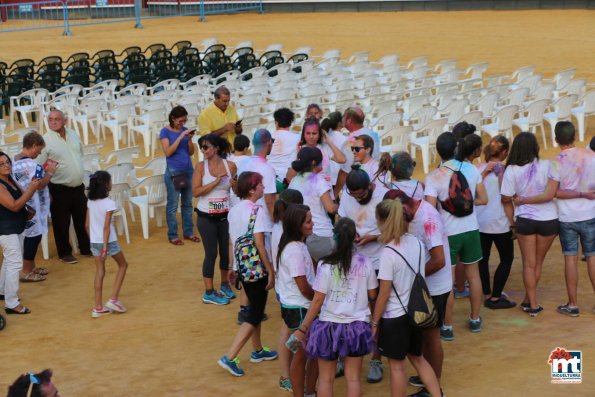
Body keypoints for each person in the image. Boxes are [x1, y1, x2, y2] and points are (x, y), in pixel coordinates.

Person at [292, 218, 378, 397]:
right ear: (355, 236)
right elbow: (372, 296)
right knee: (353, 379)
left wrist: (303, 329)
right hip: (357, 327)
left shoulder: (325, 265)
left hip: (328, 327)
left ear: (334, 238)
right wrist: (375, 322)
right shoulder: (366, 262)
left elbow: (317, 301)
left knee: (325, 379)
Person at [517, 122, 595, 316]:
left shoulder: (556, 161)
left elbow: (553, 193)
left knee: (570, 257)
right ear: (575, 136)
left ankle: (573, 304)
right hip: (590, 214)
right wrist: (585, 194)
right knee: (592, 256)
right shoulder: (592, 156)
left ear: (556, 138)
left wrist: (578, 193)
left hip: (567, 216)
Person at [383, 189, 451, 397]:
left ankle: (434, 386)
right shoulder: (412, 212)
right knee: (424, 337)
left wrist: (412, 275)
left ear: (404, 207)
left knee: (431, 336)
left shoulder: (428, 220)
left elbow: (439, 260)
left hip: (435, 288)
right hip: (422, 286)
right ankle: (428, 379)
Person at [425, 132, 487, 335]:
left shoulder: (434, 177)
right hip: (471, 228)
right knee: (474, 276)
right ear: (455, 149)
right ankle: (475, 318)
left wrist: (449, 208)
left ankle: (448, 325)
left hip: (448, 233)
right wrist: (465, 204)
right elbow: (483, 199)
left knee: (447, 282)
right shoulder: (471, 169)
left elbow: (430, 210)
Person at [218, 172, 277, 377]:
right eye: (260, 184)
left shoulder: (233, 211)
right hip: (257, 268)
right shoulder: (257, 211)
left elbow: (232, 242)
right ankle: (230, 356)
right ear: (252, 189)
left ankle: (258, 350)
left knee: (254, 308)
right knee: (255, 313)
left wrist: (233, 268)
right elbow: (259, 243)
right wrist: (270, 270)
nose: (262, 187)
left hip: (243, 266)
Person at [501, 132, 558, 317]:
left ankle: (532, 304)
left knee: (528, 264)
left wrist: (512, 224)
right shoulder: (548, 165)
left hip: (525, 219)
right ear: (535, 147)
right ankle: (528, 299)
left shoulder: (511, 170)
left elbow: (505, 199)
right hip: (549, 219)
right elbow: (553, 192)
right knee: (538, 263)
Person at [338, 165, 385, 383]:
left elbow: (393, 228)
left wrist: (373, 237)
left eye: (362, 194)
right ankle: (343, 357)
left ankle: (376, 359)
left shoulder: (383, 196)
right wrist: (350, 232)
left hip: (378, 261)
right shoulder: (346, 197)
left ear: (370, 186)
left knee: (376, 313)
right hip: (354, 261)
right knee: (348, 310)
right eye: (354, 195)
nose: (357, 199)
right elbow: (341, 221)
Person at [36, 110, 90, 264]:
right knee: (61, 222)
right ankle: (64, 253)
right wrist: (46, 191)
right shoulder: (45, 140)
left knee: (82, 219)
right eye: (50, 119)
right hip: (59, 188)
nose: (53, 122)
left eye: (57, 119)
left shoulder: (72, 133)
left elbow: (80, 153)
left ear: (64, 121)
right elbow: (38, 166)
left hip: (78, 186)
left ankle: (85, 248)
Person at [234, 129, 278, 320]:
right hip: (261, 221)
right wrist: (277, 221)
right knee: (260, 264)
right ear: (268, 143)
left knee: (246, 262)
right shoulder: (267, 169)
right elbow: (270, 201)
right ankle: (254, 311)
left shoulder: (245, 162)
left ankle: (245, 308)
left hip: (244, 216)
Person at [276, 204, 317, 397]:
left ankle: (309, 392)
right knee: (301, 356)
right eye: (308, 221)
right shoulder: (294, 251)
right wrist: (318, 300)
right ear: (297, 225)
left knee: (308, 354)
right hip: (300, 308)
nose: (312, 224)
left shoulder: (297, 246)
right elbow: (303, 286)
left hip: (299, 307)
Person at [193, 134, 237, 305]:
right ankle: (209, 292)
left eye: (206, 147)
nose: (203, 150)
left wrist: (234, 185)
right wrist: (214, 183)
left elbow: (236, 189)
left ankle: (225, 284)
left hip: (225, 216)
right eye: (201, 147)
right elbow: (195, 192)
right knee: (211, 253)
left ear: (216, 148)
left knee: (225, 252)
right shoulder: (200, 167)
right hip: (206, 217)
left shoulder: (231, 166)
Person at [475, 135, 517, 310]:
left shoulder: (477, 169)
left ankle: (486, 292)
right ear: (505, 152)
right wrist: (513, 224)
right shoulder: (507, 171)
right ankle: (495, 296)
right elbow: (507, 200)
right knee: (506, 258)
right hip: (500, 223)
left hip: (480, 221)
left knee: (483, 259)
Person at [12, 132, 57, 282]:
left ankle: (31, 266)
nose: (40, 153)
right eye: (39, 149)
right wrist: (50, 171)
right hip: (35, 207)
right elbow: (40, 184)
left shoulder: (13, 160)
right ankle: (25, 271)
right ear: (33, 146)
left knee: (30, 237)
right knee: (33, 237)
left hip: (24, 205)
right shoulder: (33, 164)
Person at [271, 188, 304, 392]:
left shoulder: (277, 225)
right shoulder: (287, 230)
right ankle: (289, 374)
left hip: (282, 284)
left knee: (287, 330)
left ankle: (288, 374)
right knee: (294, 333)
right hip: (293, 288)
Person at [85, 171, 129, 318]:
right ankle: (113, 299)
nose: (111, 183)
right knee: (123, 265)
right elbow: (106, 227)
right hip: (108, 242)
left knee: (99, 272)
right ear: (105, 185)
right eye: (110, 181)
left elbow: (86, 225)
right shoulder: (110, 203)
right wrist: (105, 248)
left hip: (94, 241)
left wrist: (95, 242)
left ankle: (98, 307)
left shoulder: (90, 202)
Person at [0, 151, 39, 315]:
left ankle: (2, 291)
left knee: (10, 261)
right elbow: (14, 205)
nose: (6, 165)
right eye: (1, 164)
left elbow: (25, 197)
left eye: (7, 162)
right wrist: (30, 189)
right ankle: (11, 303)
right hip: (5, 229)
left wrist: (32, 188)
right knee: (15, 263)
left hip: (16, 226)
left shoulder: (10, 180)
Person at [160, 105, 201, 246]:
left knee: (187, 204)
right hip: (175, 172)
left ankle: (188, 232)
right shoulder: (165, 132)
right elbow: (168, 152)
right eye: (180, 120)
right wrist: (180, 137)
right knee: (173, 205)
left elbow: (190, 152)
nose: (182, 123)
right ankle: (173, 235)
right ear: (173, 118)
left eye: (184, 121)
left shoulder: (184, 131)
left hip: (187, 170)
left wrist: (189, 139)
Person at [288, 147, 338, 261]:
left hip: (301, 235)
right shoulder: (319, 180)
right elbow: (330, 208)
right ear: (314, 162)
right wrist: (339, 206)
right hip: (321, 234)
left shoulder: (294, 181)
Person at [288, 118, 346, 185]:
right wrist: (298, 156)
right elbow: (290, 177)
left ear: (319, 134)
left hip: (325, 190)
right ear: (303, 134)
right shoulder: (299, 149)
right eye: (308, 133)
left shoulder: (324, 148)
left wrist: (329, 141)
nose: (311, 136)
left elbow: (342, 160)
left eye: (314, 133)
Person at [268, 108, 300, 189]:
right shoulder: (298, 138)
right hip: (288, 181)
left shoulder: (267, 138)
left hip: (269, 179)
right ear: (290, 123)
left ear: (276, 122)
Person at [321, 111, 349, 188]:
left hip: (327, 175)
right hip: (339, 175)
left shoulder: (324, 136)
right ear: (339, 123)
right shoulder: (345, 139)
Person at [228, 134, 251, 208]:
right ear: (245, 149)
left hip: (229, 195)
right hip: (243, 196)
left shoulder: (228, 159)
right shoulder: (249, 160)